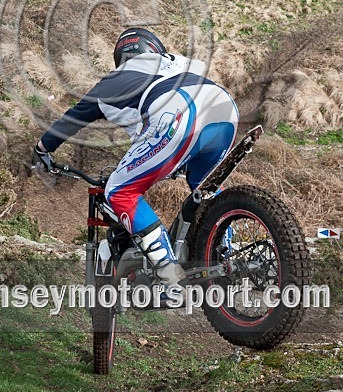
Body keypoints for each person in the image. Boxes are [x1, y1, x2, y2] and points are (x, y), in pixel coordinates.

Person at [32, 28, 240, 292]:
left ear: (121, 58)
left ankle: (170, 280)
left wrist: (42, 148)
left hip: (177, 111)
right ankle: (225, 252)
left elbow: (72, 119)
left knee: (120, 191)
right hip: (223, 106)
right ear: (154, 50)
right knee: (203, 185)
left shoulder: (112, 82)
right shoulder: (174, 62)